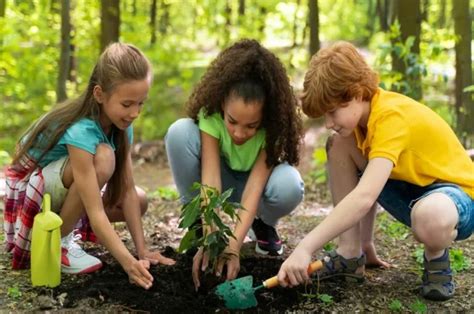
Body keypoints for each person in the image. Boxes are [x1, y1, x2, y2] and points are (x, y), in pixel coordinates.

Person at [277, 41, 473, 301]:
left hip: (455, 200)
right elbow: (369, 180)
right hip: (412, 192)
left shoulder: (390, 118)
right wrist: (365, 243)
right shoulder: (361, 122)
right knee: (338, 144)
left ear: (357, 94)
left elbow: (365, 196)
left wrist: (305, 247)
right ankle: (350, 252)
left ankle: (436, 258)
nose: (328, 123)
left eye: (333, 112)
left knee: (430, 216)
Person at [4, 42, 175, 289]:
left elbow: (126, 189)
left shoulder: (121, 124)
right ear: (99, 94)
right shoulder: (82, 129)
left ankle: (65, 231)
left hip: (61, 190)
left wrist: (142, 252)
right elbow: (95, 213)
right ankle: (58, 242)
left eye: (141, 103)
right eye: (127, 104)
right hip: (31, 193)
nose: (135, 112)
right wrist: (128, 263)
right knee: (104, 157)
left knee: (138, 200)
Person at [165, 39, 305, 289]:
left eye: (251, 126)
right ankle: (197, 223)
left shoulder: (273, 130)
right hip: (222, 177)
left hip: (256, 189)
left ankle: (262, 225)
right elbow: (210, 179)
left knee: (290, 185)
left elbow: (254, 188)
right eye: (232, 121)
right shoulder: (211, 116)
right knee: (179, 132)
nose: (239, 133)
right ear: (222, 105)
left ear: (265, 117)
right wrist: (212, 238)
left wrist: (233, 248)